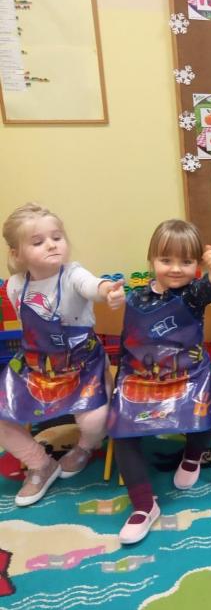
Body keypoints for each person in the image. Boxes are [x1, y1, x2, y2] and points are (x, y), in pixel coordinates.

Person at [107, 220, 211, 544]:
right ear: (152, 260)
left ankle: (192, 455)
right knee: (120, 427)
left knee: (202, 406)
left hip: (187, 374)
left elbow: (210, 289)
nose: (175, 269)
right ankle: (144, 505)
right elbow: (127, 339)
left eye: (186, 262)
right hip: (142, 377)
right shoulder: (136, 298)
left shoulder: (193, 294)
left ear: (196, 265)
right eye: (166, 260)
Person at [0, 203, 125, 506]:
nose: (52, 245)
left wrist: (108, 290)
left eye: (57, 237)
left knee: (95, 421)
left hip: (83, 364)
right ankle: (40, 464)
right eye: (38, 241)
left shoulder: (73, 275)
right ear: (17, 253)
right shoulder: (15, 286)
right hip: (36, 366)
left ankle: (85, 447)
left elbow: (92, 285)